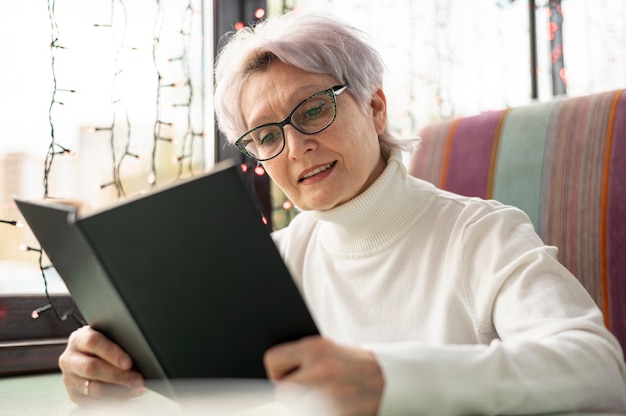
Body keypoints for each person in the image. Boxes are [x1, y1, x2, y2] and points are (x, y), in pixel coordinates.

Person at [59, 10, 626, 415]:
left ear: (374, 107)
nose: (297, 147)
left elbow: (598, 369)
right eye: (265, 136)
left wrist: (388, 380)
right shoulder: (271, 262)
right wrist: (107, 376)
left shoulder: (481, 234)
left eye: (311, 110)